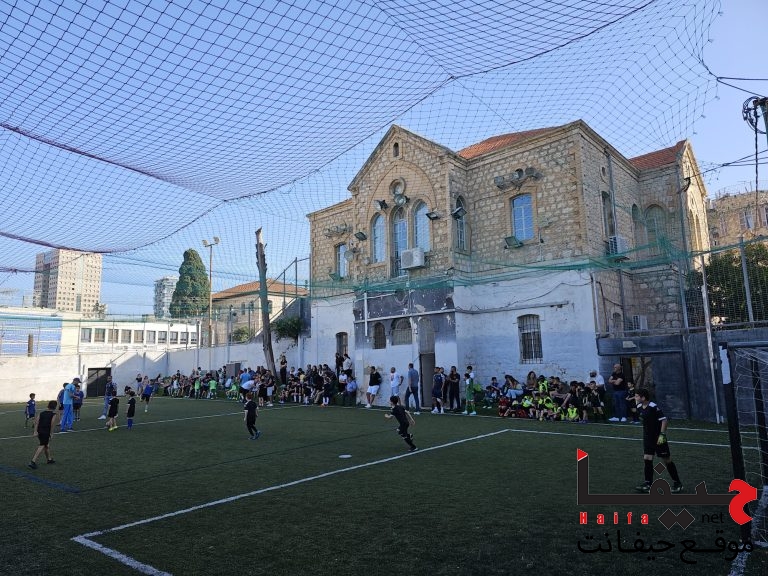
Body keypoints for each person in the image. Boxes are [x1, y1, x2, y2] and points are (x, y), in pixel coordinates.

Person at [634, 388, 683, 494]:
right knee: (647, 458)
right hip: (648, 437)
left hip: (658, 438)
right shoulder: (639, 407)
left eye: (637, 396)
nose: (635, 397)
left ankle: (678, 483)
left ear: (643, 397)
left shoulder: (653, 407)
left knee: (667, 460)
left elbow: (664, 420)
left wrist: (662, 435)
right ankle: (648, 484)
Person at [28, 400, 59, 469]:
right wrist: (51, 433)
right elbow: (52, 424)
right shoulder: (53, 415)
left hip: (40, 431)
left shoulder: (41, 413)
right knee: (42, 445)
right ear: (55, 407)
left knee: (46, 445)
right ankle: (33, 461)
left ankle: (49, 459)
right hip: (46, 432)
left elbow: (36, 422)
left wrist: (35, 431)